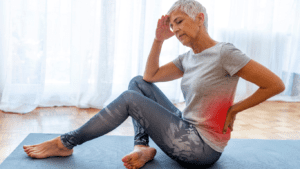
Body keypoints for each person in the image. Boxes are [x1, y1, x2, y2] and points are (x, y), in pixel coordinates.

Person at [23, 0, 285, 168]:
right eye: (172, 25)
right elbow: (149, 77)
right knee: (137, 84)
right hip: (185, 127)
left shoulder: (225, 53)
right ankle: (142, 146)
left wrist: (234, 109)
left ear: (200, 18)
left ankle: (65, 143)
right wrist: (159, 39)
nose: (176, 29)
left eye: (179, 21)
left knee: (129, 99)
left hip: (201, 148)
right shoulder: (188, 57)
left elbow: (275, 85)